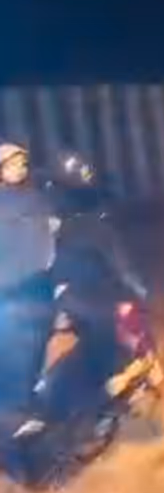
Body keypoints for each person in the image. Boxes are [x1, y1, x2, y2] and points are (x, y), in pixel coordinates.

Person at [0, 143, 58, 443]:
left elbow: (52, 228)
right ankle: (13, 413)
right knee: (14, 348)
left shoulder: (35, 197)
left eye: (22, 163)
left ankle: (30, 401)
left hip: (38, 280)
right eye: (11, 164)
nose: (18, 169)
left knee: (37, 340)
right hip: (8, 288)